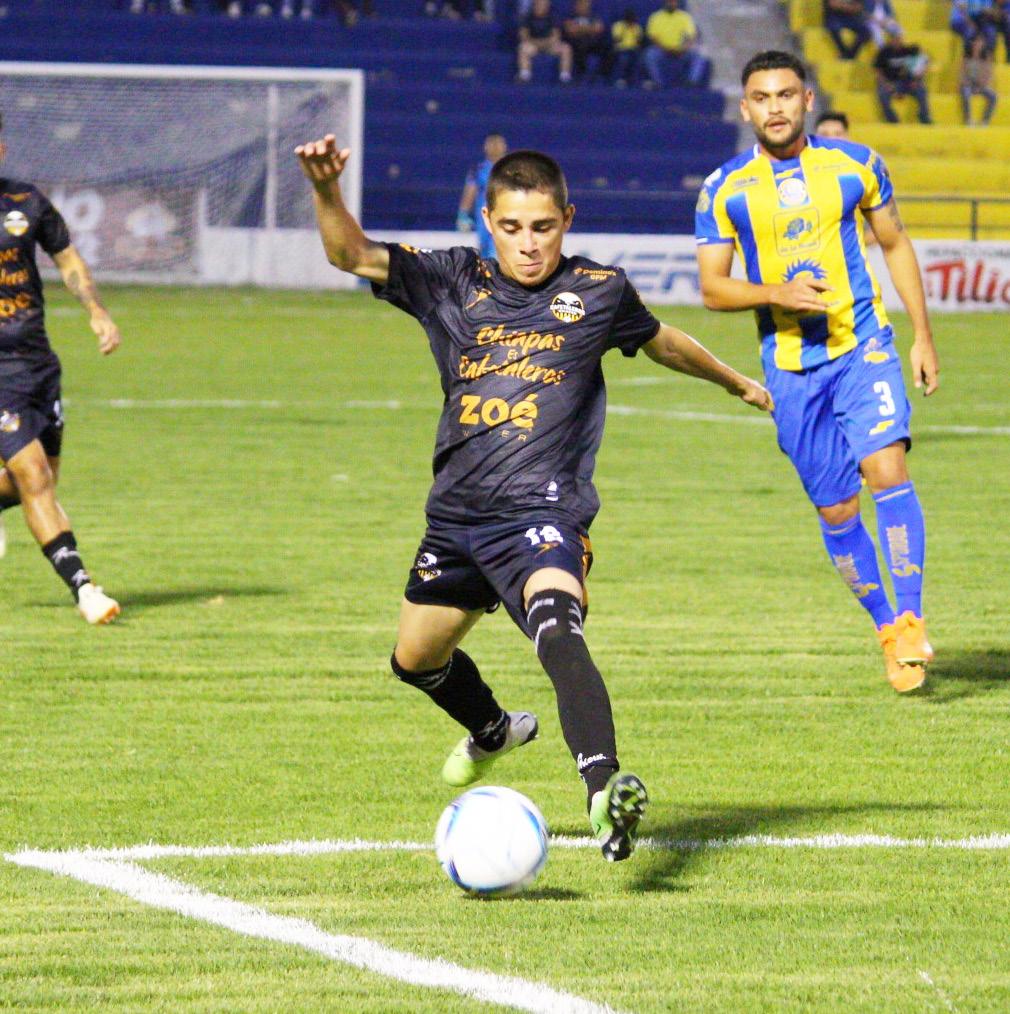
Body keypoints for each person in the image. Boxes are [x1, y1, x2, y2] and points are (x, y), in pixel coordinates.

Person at [295, 136, 772, 859]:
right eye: (513, 227)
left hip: (543, 512)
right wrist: (327, 190)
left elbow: (660, 339)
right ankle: (492, 730)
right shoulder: (450, 279)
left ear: (567, 220)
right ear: (489, 222)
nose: (528, 244)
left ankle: (604, 792)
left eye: (543, 227)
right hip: (456, 516)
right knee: (414, 660)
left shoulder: (599, 290)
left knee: (559, 627)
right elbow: (350, 254)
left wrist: (734, 381)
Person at [695, 51, 940, 694]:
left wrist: (922, 337)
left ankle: (912, 620)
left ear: (807, 99)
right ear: (745, 107)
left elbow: (895, 243)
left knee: (887, 467)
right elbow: (713, 288)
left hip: (863, 345)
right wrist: (776, 292)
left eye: (785, 94)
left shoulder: (857, 165)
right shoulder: (724, 189)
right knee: (837, 509)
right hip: (790, 370)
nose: (774, 107)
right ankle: (887, 630)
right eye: (761, 97)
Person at [0, 113, 122, 623]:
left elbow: (67, 259)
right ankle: (85, 589)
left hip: (37, 364)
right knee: (33, 477)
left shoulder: (27, 202)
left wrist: (96, 311)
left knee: (40, 479)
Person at [457, 134, 508, 260]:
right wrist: (463, 215)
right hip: (485, 223)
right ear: (485, 147)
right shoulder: (479, 170)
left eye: (498, 143)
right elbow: (470, 191)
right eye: (492, 143)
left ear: (504, 146)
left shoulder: (513, 169)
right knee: (487, 257)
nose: (495, 147)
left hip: (507, 219)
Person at [644, 0, 711, 88]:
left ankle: (691, 81)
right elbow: (653, 38)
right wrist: (666, 49)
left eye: (673, 2)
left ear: (677, 3)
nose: (671, 4)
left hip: (682, 51)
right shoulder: (656, 17)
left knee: (700, 55)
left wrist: (684, 48)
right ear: (665, 2)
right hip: (662, 50)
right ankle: (658, 82)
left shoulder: (685, 17)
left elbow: (691, 37)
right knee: (650, 55)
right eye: (669, 2)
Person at [873, 26, 932, 124]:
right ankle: (892, 120)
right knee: (882, 94)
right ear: (890, 39)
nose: (897, 41)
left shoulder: (908, 50)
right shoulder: (883, 52)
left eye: (899, 38)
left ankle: (924, 116)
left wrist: (916, 80)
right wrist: (887, 84)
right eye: (895, 39)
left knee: (921, 89)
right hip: (890, 82)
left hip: (907, 82)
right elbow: (877, 71)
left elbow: (925, 60)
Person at [517, 0, 574, 83]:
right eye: (537, 4)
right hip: (533, 46)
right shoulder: (527, 17)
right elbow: (524, 37)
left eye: (542, 5)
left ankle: (565, 76)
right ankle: (524, 75)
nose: (539, 7)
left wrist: (544, 43)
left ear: (547, 6)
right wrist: (538, 43)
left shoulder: (553, 17)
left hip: (549, 46)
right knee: (522, 48)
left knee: (566, 48)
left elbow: (556, 37)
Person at [562, 0, 612, 82]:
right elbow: (570, 30)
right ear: (576, 6)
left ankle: (604, 75)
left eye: (585, 4)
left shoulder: (593, 16)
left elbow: (599, 28)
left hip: (593, 42)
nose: (583, 6)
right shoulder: (571, 17)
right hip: (577, 43)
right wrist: (590, 29)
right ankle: (581, 76)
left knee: (608, 47)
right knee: (580, 46)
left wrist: (579, 29)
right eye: (581, 4)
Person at [960, 26, 999, 124]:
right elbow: (962, 74)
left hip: (981, 85)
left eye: (980, 42)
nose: (977, 45)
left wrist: (981, 86)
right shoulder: (966, 57)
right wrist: (967, 83)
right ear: (972, 43)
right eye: (976, 42)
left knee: (994, 96)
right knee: (965, 94)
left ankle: (985, 121)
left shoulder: (986, 57)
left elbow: (988, 74)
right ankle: (968, 119)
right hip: (968, 84)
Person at [611, 7, 644, 87]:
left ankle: (637, 81)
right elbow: (616, 39)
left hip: (634, 49)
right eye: (629, 18)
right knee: (624, 58)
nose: (630, 21)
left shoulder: (637, 27)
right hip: (621, 49)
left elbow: (639, 41)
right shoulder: (618, 25)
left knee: (640, 59)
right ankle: (620, 79)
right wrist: (625, 29)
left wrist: (633, 30)